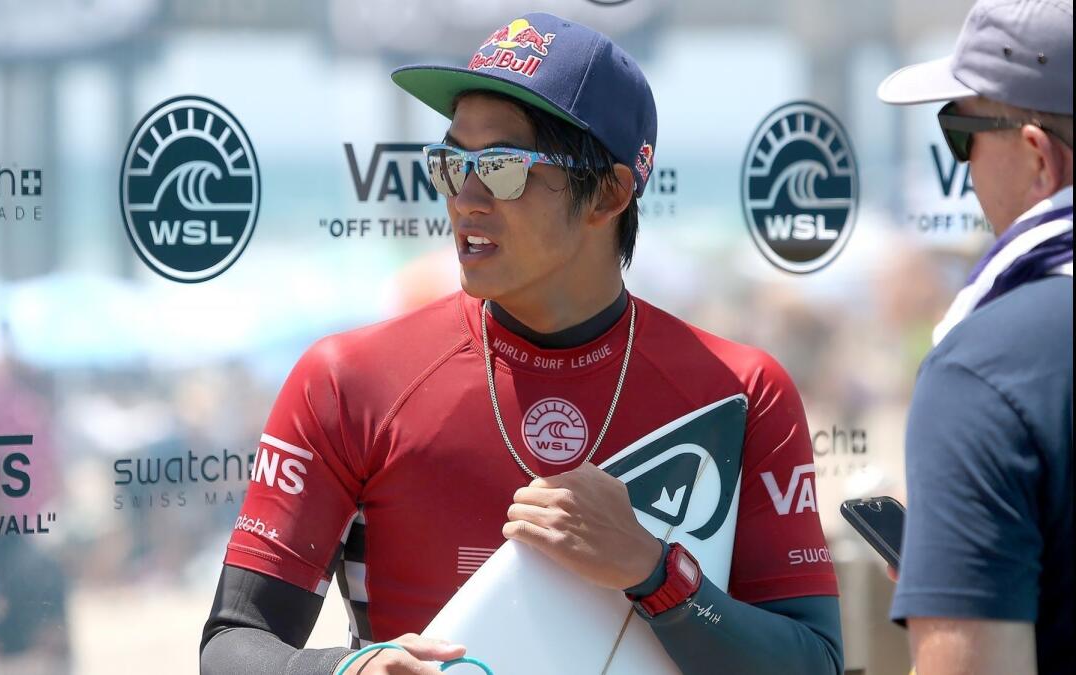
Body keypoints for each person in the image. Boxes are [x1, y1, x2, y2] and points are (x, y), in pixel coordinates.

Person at [202, 13, 842, 674]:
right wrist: (350, 670)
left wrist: (656, 574)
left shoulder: (740, 391)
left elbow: (814, 662)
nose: (465, 198)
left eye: (504, 168)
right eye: (452, 163)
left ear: (611, 193)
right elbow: (233, 643)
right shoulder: (346, 382)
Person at [877, 1, 1073, 673]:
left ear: (1037, 158)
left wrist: (956, 582)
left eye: (961, 132)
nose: (962, 169)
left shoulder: (985, 368)